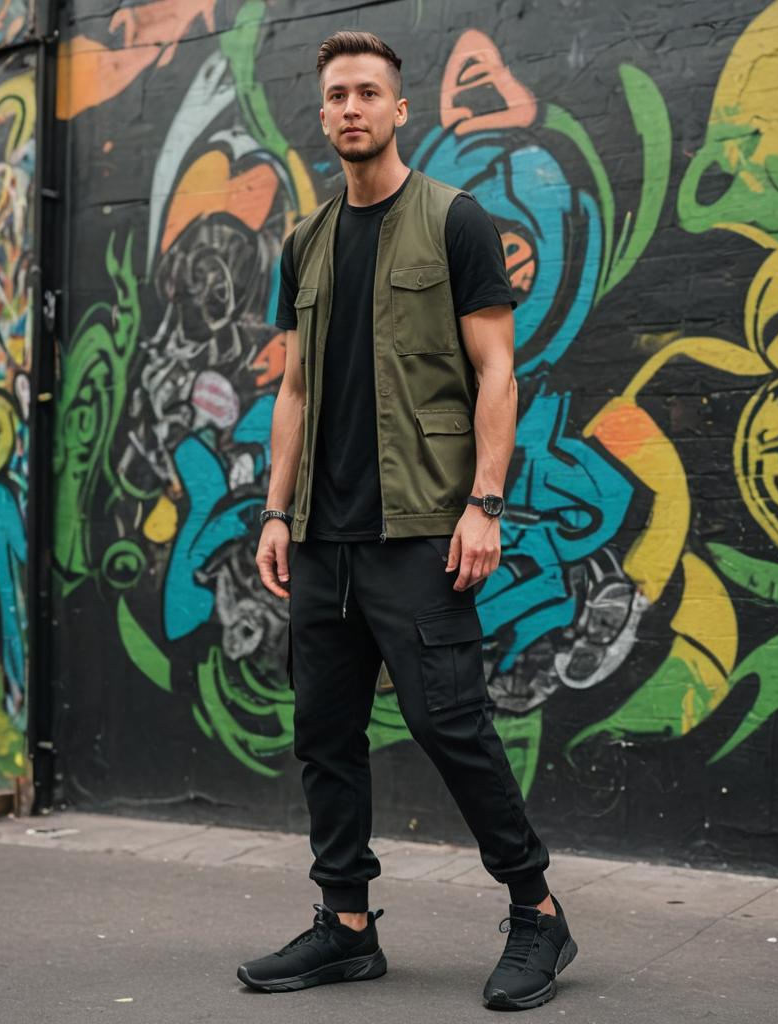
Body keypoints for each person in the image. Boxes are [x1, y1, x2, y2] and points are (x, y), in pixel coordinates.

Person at [238, 29, 578, 1012]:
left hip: (422, 524)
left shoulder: (455, 220)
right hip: (319, 538)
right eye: (336, 93)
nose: (350, 107)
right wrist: (273, 510)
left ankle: (537, 910)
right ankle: (344, 923)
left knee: (451, 725)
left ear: (399, 110)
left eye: (368, 93)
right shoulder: (303, 239)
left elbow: (497, 373)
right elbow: (294, 389)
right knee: (322, 732)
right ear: (323, 112)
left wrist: (485, 503)